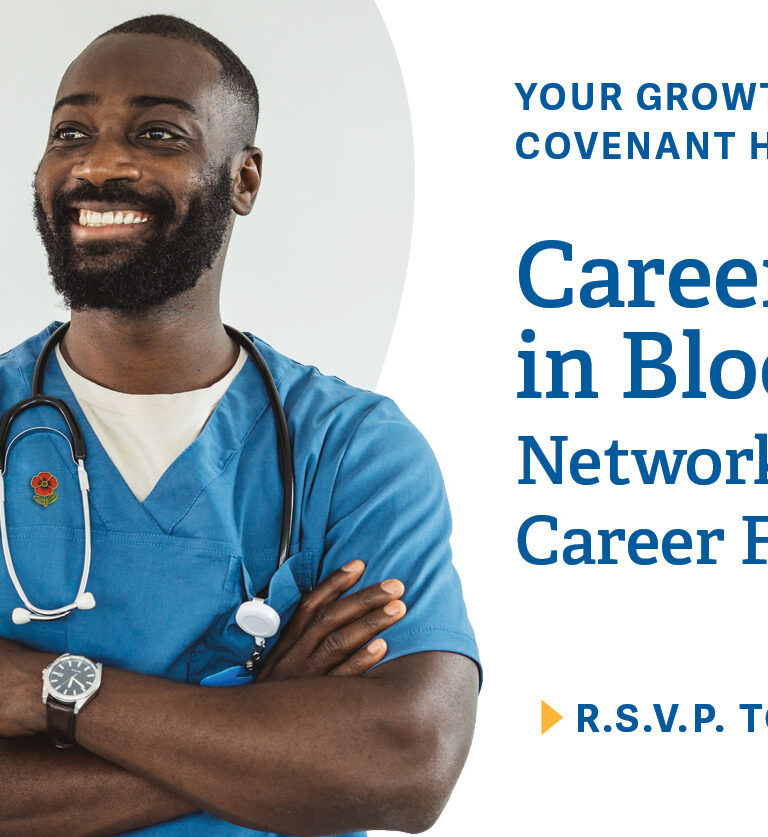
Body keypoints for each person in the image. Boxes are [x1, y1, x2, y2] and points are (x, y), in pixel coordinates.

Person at [0, 14, 479, 836]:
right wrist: (261, 724)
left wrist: (44, 687)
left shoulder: (355, 450)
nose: (101, 160)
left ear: (243, 178)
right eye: (70, 130)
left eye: (157, 133)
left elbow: (407, 763)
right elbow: (349, 766)